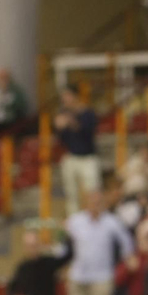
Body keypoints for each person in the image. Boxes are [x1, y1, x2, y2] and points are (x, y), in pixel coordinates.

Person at [64, 187, 130, 295]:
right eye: (92, 201)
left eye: (98, 202)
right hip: (79, 275)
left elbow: (126, 240)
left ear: (102, 203)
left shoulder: (111, 221)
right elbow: (65, 246)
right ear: (86, 203)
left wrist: (128, 257)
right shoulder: (75, 221)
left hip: (102, 276)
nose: (95, 205)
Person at [54, 87, 100, 215]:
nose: (65, 100)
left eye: (68, 96)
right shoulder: (63, 113)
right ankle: (74, 221)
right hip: (71, 156)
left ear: (75, 96)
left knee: (93, 191)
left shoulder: (88, 113)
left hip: (88, 157)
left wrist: (71, 122)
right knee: (71, 193)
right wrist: (60, 128)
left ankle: (94, 217)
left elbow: (87, 133)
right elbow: (62, 140)